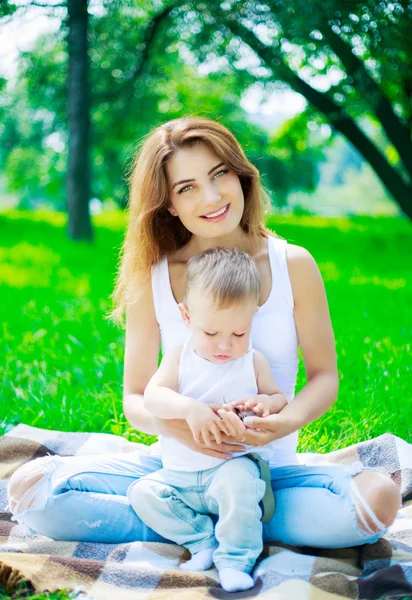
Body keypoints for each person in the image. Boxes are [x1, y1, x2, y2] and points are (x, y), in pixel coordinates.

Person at [8, 116, 401, 549]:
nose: (211, 197)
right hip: (175, 471)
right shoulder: (154, 276)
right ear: (169, 204)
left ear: (241, 176)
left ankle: (214, 520)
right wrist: (182, 428)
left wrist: (281, 423)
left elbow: (324, 376)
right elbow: (135, 398)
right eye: (186, 187)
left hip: (271, 474)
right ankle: (210, 522)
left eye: (219, 175)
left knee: (378, 499)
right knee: (32, 491)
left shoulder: (293, 265)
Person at [128, 247, 288, 592]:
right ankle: (202, 541)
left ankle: (235, 560)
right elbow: (153, 397)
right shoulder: (178, 357)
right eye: (211, 333)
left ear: (253, 318)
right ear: (186, 316)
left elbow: (279, 399)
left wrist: (264, 403)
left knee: (240, 487)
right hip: (179, 475)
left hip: (232, 467)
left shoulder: (252, 361)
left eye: (239, 333)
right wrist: (188, 408)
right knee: (143, 493)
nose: (225, 346)